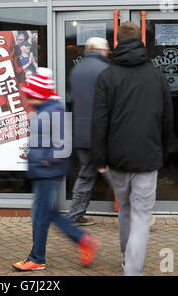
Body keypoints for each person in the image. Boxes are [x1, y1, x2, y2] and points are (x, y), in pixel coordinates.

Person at [91, 22, 173, 276]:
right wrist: (165, 151)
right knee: (140, 216)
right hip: (148, 156)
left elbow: (99, 119)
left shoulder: (107, 76)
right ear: (141, 41)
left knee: (125, 210)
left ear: (117, 42)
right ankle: (132, 270)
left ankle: (128, 260)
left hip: (117, 157)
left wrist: (99, 157)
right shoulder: (156, 75)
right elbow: (167, 118)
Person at [12, 68, 100, 272]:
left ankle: (37, 258)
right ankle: (83, 239)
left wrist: (44, 160)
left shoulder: (55, 111)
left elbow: (64, 145)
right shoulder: (44, 110)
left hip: (47, 172)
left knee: (40, 217)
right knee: (47, 213)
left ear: (39, 95)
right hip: (42, 171)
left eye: (31, 96)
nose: (28, 100)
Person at [66, 37, 114, 226]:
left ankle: (75, 215)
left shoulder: (77, 70)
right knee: (113, 172)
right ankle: (137, 212)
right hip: (101, 132)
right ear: (103, 50)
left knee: (86, 173)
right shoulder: (105, 70)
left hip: (81, 132)